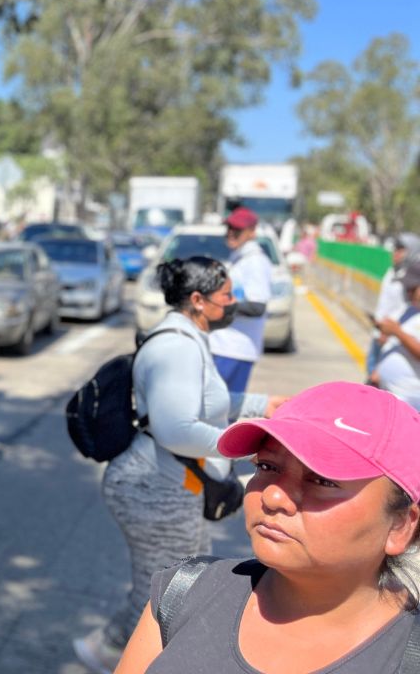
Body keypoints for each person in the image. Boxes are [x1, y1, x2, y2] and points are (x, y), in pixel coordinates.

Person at [116, 381, 420, 674]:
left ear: (400, 526)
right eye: (266, 466)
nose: (273, 496)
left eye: (323, 480)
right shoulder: (183, 592)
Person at [74, 257, 282, 674]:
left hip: (166, 485)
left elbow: (204, 404)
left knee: (174, 584)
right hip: (155, 488)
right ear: (199, 300)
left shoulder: (187, 337)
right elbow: (176, 429)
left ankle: (105, 650)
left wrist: (262, 405)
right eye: (227, 295)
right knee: (173, 591)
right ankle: (113, 654)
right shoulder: (176, 348)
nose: (234, 302)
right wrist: (248, 447)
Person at [209, 207, 272, 394]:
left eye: (237, 230)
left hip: (234, 349)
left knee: (221, 413)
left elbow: (257, 307)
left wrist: (216, 306)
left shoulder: (255, 262)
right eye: (228, 228)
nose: (230, 233)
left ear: (252, 232)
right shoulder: (239, 258)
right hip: (223, 346)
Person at [368, 234, 420, 380]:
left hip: (396, 336)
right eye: (395, 249)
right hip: (384, 334)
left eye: (401, 249)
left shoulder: (412, 275)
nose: (395, 253)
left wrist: (396, 332)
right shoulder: (392, 272)